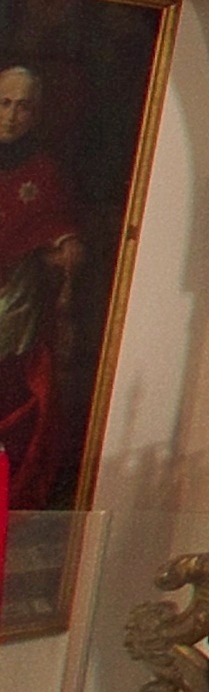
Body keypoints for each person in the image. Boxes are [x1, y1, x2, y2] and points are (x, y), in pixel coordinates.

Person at [0, 63, 87, 491]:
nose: (12, 115)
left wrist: (64, 248)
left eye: (23, 107)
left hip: (14, 310)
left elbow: (59, 231)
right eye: (5, 103)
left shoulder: (43, 175)